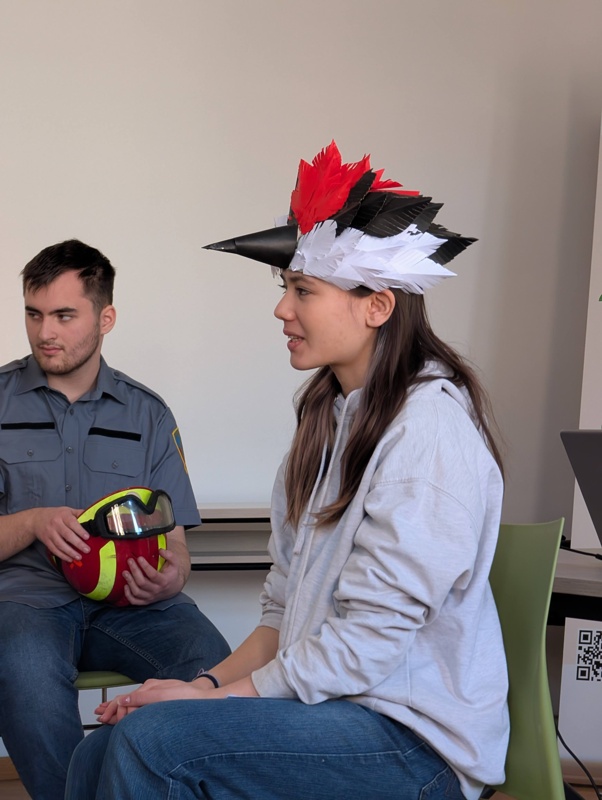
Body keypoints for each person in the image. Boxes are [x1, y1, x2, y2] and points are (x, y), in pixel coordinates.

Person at [65, 142, 509, 800]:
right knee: (98, 752)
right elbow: (282, 615)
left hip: (415, 745)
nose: (282, 309)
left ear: (377, 305)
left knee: (155, 743)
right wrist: (201, 686)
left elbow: (368, 645)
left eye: (304, 291)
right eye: (286, 290)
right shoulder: (325, 423)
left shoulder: (428, 435)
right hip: (332, 710)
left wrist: (213, 703)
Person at [0, 239, 231, 800]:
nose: (44, 332)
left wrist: (171, 577)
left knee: (215, 666)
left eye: (63, 316)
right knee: (23, 673)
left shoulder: (148, 413)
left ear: (106, 318)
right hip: (27, 603)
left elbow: (175, 545)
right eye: (33, 314)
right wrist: (32, 522)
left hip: (132, 608)